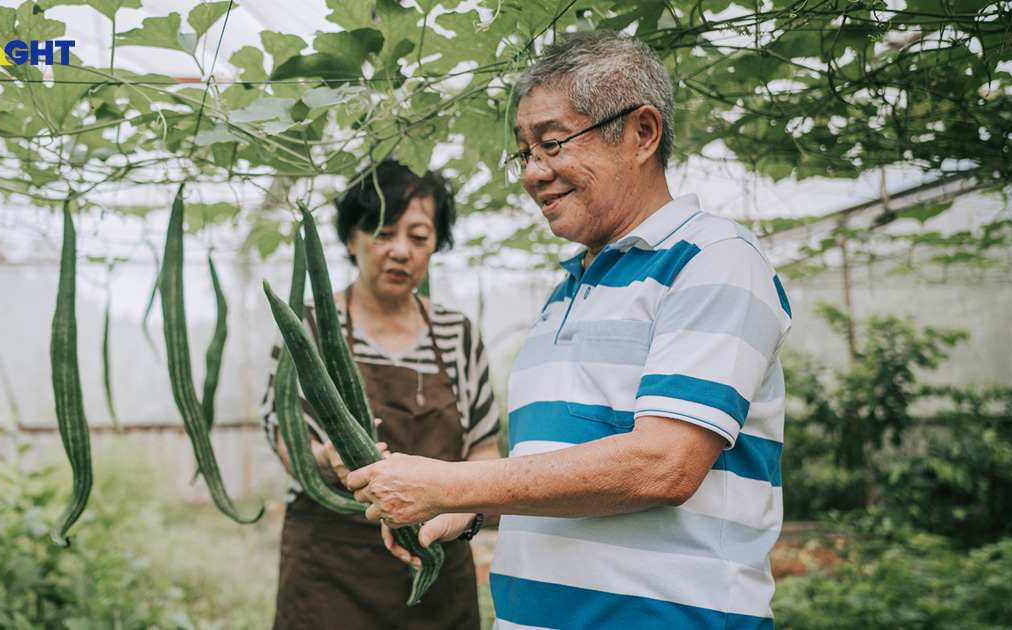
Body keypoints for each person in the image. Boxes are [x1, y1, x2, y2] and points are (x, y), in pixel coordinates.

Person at [344, 31, 793, 630]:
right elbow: (550, 478)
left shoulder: (714, 260)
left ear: (642, 133)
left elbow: (665, 464)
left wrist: (450, 483)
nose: (533, 172)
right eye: (524, 152)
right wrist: (467, 511)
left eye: (552, 143)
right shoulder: (565, 293)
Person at [261, 159, 502, 630]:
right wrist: (324, 460)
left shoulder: (457, 333)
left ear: (435, 245)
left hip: (437, 566)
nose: (401, 251)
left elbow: (484, 454)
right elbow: (288, 441)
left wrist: (458, 514)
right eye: (383, 233)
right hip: (331, 575)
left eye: (419, 237)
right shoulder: (306, 326)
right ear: (351, 239)